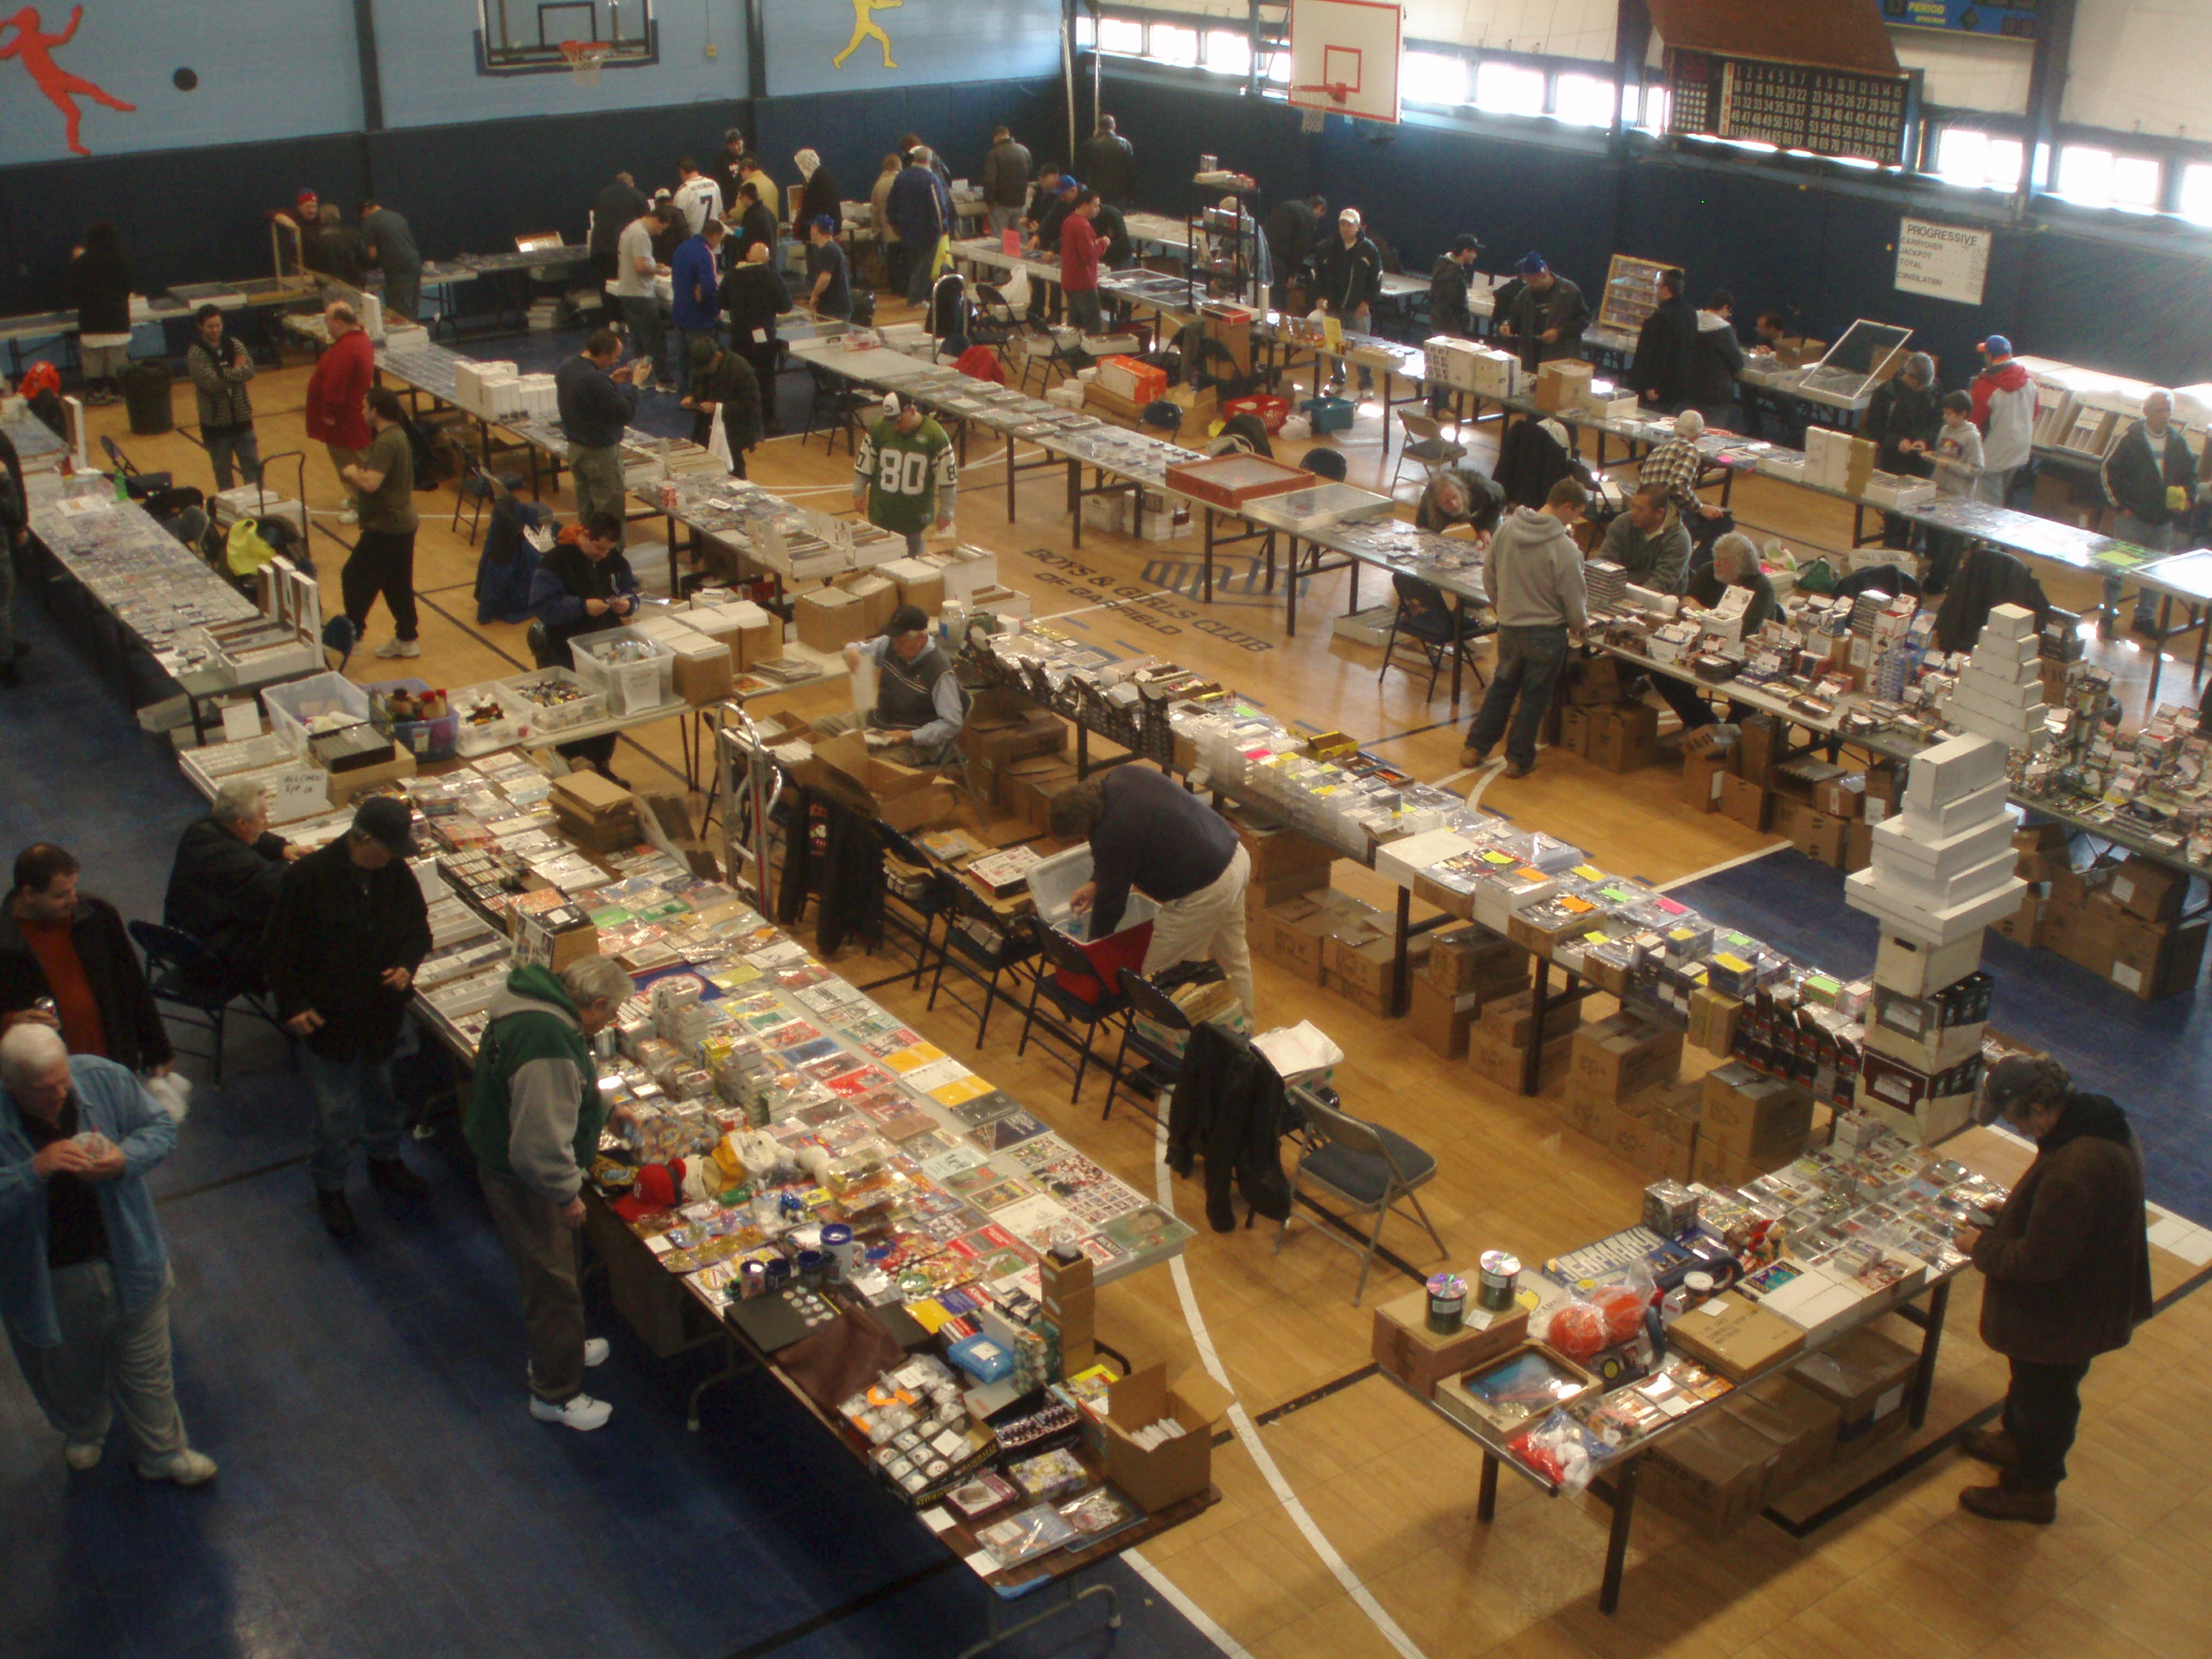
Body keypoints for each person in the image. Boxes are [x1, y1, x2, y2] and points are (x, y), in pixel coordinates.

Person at [0, 1023, 215, 1485]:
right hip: (49, 1279)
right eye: (43, 1090)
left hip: (130, 1254)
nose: (60, 1095)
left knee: (149, 1369)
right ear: (10, 1084)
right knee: (66, 1372)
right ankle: (85, 1429)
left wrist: (124, 1159)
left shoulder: (102, 1077)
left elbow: (160, 1127)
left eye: (63, 1081)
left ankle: (164, 1454)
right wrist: (32, 1171)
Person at [1955, 1056, 2152, 1523]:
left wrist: (1980, 1248)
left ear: (2039, 1110)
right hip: (2087, 1294)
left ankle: (2034, 1490)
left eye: (2017, 1121)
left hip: (2065, 1314)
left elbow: (2038, 1262)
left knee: (2046, 1400)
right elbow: (2067, 1220)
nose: (2020, 1132)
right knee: (2031, 1385)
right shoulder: (2096, 1125)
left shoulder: (2076, 1166)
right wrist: (2015, 1213)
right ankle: (2014, 1442)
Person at [464, 955, 632, 1433]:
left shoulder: (537, 1006)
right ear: (595, 1002)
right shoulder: (547, 1040)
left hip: (513, 1170)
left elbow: (568, 1083)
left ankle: (562, 1349)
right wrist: (565, 1194)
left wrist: (605, 1108)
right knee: (552, 1285)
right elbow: (536, 1145)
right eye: (610, 1013)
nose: (609, 1022)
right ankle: (555, 1393)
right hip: (527, 1185)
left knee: (559, 1272)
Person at [264, 798, 432, 1239]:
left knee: (385, 1097)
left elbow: (418, 928)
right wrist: (293, 1005)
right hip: (330, 1019)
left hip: (380, 1015)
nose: (392, 857)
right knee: (332, 1113)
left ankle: (385, 1162)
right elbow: (279, 949)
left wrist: (406, 964)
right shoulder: (307, 878)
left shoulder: (394, 873)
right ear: (363, 837)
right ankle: (331, 1188)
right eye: (387, 848)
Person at [1052, 769, 1254, 1020]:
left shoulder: (1112, 830)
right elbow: (1119, 855)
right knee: (1232, 958)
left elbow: (1110, 905)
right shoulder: (1121, 778)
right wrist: (1095, 882)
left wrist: (1092, 952)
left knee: (1158, 981)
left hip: (1205, 887)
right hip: (1233, 854)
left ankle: (1167, 1042)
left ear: (1084, 826)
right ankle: (1244, 1030)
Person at [1458, 476, 1589, 778]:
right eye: (1577, 513)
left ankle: (1475, 747)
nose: (1576, 520)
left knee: (1502, 688)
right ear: (1567, 507)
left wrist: (1500, 605)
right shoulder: (1565, 549)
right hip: (1545, 633)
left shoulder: (1506, 528)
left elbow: (1489, 573)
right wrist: (1580, 624)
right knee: (1533, 698)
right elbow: (1573, 595)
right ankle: (1518, 758)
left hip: (1509, 626)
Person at [0, 844, 171, 1075]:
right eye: (60, 895)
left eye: (73, 889)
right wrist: (11, 1021)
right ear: (29, 894)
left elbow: (131, 981)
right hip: (49, 1078)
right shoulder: (5, 943)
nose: (73, 900)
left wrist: (157, 1049)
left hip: (112, 1064)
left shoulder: (96, 916)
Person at [529, 512, 638, 782]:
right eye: (599, 548)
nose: (603, 555)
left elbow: (630, 590)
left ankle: (601, 764)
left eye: (608, 550)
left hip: (605, 649)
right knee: (571, 710)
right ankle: (572, 765)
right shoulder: (555, 563)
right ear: (584, 535)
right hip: (564, 649)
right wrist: (581, 607)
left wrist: (627, 604)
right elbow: (543, 606)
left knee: (607, 708)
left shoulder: (614, 560)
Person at [162, 781, 301, 991]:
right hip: (210, 952)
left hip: (188, 930)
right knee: (303, 925)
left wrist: (282, 848)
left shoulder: (201, 831)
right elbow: (279, 886)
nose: (266, 822)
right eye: (263, 816)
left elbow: (255, 837)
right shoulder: (231, 860)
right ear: (242, 823)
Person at [2102, 389, 2196, 634]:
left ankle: (2144, 618)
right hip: (2132, 519)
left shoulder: (2178, 443)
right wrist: (2120, 506)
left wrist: (2187, 499)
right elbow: (2106, 471)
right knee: (2117, 569)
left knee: (2155, 571)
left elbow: (2190, 476)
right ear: (2146, 412)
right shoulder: (2128, 440)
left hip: (2162, 520)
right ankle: (2108, 614)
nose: (2165, 416)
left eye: (2168, 411)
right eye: (2159, 411)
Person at [337, 387, 421, 660]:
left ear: (375, 410)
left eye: (364, 407)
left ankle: (354, 635)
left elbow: (371, 483)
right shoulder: (397, 435)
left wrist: (353, 473)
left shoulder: (386, 442)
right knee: (396, 583)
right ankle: (407, 638)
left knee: (353, 575)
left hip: (387, 526)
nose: (361, 411)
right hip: (402, 523)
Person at [832, 605, 964, 766]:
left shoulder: (939, 671)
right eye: (894, 640)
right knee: (820, 728)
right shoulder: (891, 643)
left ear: (921, 639)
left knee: (870, 766)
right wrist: (850, 651)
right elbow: (858, 649)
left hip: (914, 741)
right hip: (879, 721)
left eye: (901, 642)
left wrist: (910, 736)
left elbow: (951, 724)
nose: (895, 646)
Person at [555, 329, 647, 535]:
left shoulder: (567, 367)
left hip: (576, 449)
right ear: (603, 354)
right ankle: (611, 553)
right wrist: (636, 384)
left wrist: (610, 382)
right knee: (609, 515)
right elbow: (624, 413)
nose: (614, 362)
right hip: (599, 455)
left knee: (586, 511)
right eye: (614, 358)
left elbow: (586, 397)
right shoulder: (595, 380)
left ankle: (586, 549)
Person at [855, 394, 957, 556]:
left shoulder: (935, 435)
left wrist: (946, 512)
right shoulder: (879, 429)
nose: (895, 427)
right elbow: (865, 463)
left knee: (912, 565)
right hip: (881, 516)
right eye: (891, 422)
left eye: (899, 421)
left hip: (915, 521)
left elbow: (947, 480)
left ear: (912, 410)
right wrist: (859, 491)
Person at [305, 300, 375, 524]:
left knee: (349, 462)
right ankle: (358, 500)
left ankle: (362, 505)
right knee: (356, 459)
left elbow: (335, 385)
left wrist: (329, 412)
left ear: (338, 322)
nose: (325, 325)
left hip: (344, 418)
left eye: (327, 320)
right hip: (353, 414)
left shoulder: (346, 349)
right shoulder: (359, 338)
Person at [1863, 352, 1941, 550]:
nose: (1922, 389)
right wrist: (1896, 441)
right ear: (1910, 376)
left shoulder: (1934, 392)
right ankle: (1892, 548)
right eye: (1920, 385)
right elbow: (1873, 426)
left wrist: (1925, 440)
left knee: (1920, 511)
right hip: (1893, 461)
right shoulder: (1885, 393)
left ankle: (1914, 549)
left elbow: (1938, 424)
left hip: (1921, 463)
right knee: (1894, 514)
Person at [184, 303, 259, 492]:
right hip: (216, 425)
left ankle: (258, 502)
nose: (215, 329)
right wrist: (236, 372)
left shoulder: (234, 344)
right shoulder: (196, 353)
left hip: (242, 419)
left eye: (218, 325)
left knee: (253, 467)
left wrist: (222, 372)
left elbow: (250, 371)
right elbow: (212, 383)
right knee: (223, 473)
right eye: (210, 326)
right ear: (201, 327)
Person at [722, 241, 790, 433]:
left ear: (748, 256)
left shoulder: (732, 275)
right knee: (766, 378)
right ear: (767, 259)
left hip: (739, 334)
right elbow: (785, 306)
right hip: (763, 336)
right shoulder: (771, 276)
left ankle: (739, 418)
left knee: (738, 376)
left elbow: (722, 302)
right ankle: (767, 419)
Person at [1315, 208, 1382, 392]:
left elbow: (1376, 279)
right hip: (1333, 307)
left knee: (1362, 347)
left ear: (1358, 226)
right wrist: (1320, 296)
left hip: (1357, 309)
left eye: (1349, 225)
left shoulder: (1369, 249)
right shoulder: (1327, 247)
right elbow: (1318, 275)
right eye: (1342, 224)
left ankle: (1366, 384)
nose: (1345, 228)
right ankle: (1338, 379)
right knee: (1335, 345)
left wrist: (1366, 301)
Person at [64, 223, 131, 404]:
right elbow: (128, 287)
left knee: (93, 360)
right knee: (117, 360)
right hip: (118, 321)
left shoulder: (82, 262)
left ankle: (96, 390)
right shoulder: (120, 260)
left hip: (91, 323)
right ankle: (117, 390)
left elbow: (72, 293)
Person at [1969, 334, 2036, 508]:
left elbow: (1974, 422)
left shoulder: (1986, 385)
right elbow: (2035, 412)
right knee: (2003, 497)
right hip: (2019, 449)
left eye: (1985, 353)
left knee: (1986, 505)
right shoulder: (2030, 380)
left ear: (1990, 356)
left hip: (1993, 454)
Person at [669, 213, 727, 405]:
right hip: (699, 317)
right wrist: (715, 311)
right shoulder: (705, 253)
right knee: (702, 361)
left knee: (684, 360)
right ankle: (699, 399)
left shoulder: (682, 248)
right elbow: (709, 288)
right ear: (715, 235)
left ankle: (684, 397)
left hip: (680, 312)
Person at [683, 338, 762, 477]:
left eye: (707, 366)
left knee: (734, 470)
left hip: (733, 431)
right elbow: (696, 387)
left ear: (717, 356)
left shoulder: (740, 369)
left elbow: (751, 404)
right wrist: (692, 398)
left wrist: (719, 409)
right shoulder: (702, 367)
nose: (706, 370)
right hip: (706, 428)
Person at [613, 201, 671, 391]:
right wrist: (658, 270)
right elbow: (640, 266)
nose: (659, 233)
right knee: (655, 339)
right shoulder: (641, 235)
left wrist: (653, 265)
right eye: (661, 228)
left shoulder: (630, 229)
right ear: (656, 220)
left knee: (638, 339)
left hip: (628, 291)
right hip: (641, 294)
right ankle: (663, 380)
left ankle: (641, 377)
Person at [1497, 251, 1588, 371]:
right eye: (1527, 281)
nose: (1531, 285)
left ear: (1544, 274)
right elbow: (1515, 315)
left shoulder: (1569, 291)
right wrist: (1507, 324)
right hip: (1531, 356)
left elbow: (1583, 320)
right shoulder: (1526, 294)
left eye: (1534, 281)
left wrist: (1559, 332)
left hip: (1559, 357)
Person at [1596, 483, 1689, 593]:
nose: (1633, 513)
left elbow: (1662, 583)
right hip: (1619, 590)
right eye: (1633, 506)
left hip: (1659, 598)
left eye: (1641, 510)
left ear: (1659, 513)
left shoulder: (1678, 539)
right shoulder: (1622, 523)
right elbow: (1605, 562)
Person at [889, 148, 952, 308]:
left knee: (914, 267)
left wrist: (895, 224)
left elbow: (891, 204)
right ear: (929, 161)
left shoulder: (901, 177)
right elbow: (938, 206)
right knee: (924, 268)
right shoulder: (931, 178)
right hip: (928, 231)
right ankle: (915, 300)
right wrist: (943, 226)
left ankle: (920, 297)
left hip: (907, 230)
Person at [1638, 408, 1726, 524]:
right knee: (1724, 522)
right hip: (1666, 515)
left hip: (1645, 510)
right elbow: (1677, 485)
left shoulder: (1657, 449)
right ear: (1698, 434)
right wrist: (1701, 508)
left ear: (1675, 428)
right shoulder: (1689, 449)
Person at [1629, 267, 1698, 413]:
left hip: (1659, 390)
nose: (1656, 290)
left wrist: (1651, 384)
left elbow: (1657, 354)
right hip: (1681, 387)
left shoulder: (1661, 317)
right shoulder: (1690, 312)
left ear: (1666, 290)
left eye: (1658, 286)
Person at [357, 194, 421, 324]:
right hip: (414, 263)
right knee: (412, 306)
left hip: (397, 269)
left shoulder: (370, 222)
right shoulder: (397, 216)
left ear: (365, 210)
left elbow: (372, 253)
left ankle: (404, 334)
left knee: (399, 310)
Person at [1686, 290, 1745, 431]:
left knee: (1687, 426)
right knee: (1711, 432)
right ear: (1725, 307)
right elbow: (1736, 362)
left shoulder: (1691, 319)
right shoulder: (1724, 330)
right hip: (1715, 391)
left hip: (1689, 385)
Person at [1262, 194, 1327, 306]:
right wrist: (1292, 274)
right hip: (1280, 262)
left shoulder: (1288, 205)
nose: (1318, 219)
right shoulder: (1309, 216)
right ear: (1319, 208)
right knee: (1278, 302)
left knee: (1262, 297)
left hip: (1264, 254)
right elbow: (1301, 247)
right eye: (1320, 216)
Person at [588, 170, 648, 288]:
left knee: (606, 286)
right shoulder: (637, 195)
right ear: (630, 182)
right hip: (621, 248)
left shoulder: (603, 194)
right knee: (624, 288)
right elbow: (645, 221)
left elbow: (595, 218)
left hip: (599, 248)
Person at [1060, 188, 1105, 336]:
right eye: (1095, 205)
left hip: (1070, 280)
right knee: (1093, 327)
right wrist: (1103, 244)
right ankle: (1089, 352)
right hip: (1083, 283)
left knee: (1074, 327)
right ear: (1085, 204)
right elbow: (1089, 256)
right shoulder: (1083, 225)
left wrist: (1094, 243)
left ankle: (1074, 351)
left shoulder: (1069, 221)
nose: (1098, 209)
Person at [1414, 467, 1505, 538]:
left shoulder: (1482, 488)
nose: (1454, 504)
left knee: (1493, 541)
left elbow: (1499, 495)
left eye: (1455, 497)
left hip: (1486, 507)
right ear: (1438, 504)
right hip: (1444, 513)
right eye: (1447, 502)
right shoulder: (1428, 505)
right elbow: (1422, 530)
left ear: (1461, 490)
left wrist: (1485, 528)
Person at [982, 127, 1033, 235]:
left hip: (1001, 204)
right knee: (1022, 237)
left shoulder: (994, 154)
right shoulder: (1024, 151)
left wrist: (989, 202)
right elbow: (1029, 173)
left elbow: (990, 180)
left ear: (996, 137)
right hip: (1020, 203)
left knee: (999, 238)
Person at [804, 216, 852, 321]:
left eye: (811, 228)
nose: (810, 232)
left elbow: (825, 278)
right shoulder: (833, 248)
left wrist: (814, 295)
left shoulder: (828, 250)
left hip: (834, 309)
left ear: (816, 229)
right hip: (836, 307)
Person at [1080, 114, 1135, 206]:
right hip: (1118, 192)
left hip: (1095, 191)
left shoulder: (1089, 144)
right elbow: (1131, 171)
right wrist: (1131, 195)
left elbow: (1081, 169)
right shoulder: (1125, 144)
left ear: (1099, 127)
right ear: (1114, 127)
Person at [308, 202, 366, 289]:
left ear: (321, 217)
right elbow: (364, 258)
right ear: (338, 216)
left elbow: (311, 263)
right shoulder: (353, 233)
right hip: (353, 283)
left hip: (327, 284)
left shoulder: (314, 236)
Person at [870, 152, 904, 291]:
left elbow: (874, 211)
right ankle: (904, 288)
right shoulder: (901, 181)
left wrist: (876, 231)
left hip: (887, 232)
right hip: (903, 229)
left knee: (892, 260)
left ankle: (894, 287)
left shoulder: (878, 185)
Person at [671, 156, 721, 238]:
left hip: (694, 240)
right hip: (714, 239)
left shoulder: (684, 190)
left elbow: (678, 222)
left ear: (682, 172)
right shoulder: (713, 184)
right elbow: (719, 212)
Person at [792, 149, 840, 236]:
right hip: (820, 231)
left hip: (822, 233)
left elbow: (821, 208)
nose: (799, 168)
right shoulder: (816, 177)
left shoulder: (820, 179)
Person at [731, 181, 779, 266]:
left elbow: (746, 241)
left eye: (740, 198)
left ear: (746, 197)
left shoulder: (752, 216)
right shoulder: (768, 213)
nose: (741, 202)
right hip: (770, 260)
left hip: (756, 263)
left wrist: (734, 234)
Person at [708, 129, 748, 215]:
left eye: (738, 143)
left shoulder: (750, 157)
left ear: (742, 141)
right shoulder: (721, 160)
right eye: (732, 145)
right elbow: (715, 184)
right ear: (727, 146)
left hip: (748, 203)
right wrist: (720, 207)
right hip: (729, 205)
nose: (736, 147)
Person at [740, 152, 780, 222]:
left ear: (746, 169)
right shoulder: (771, 183)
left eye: (741, 174)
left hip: (755, 225)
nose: (742, 178)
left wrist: (729, 213)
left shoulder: (746, 185)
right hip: (773, 225)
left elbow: (739, 212)